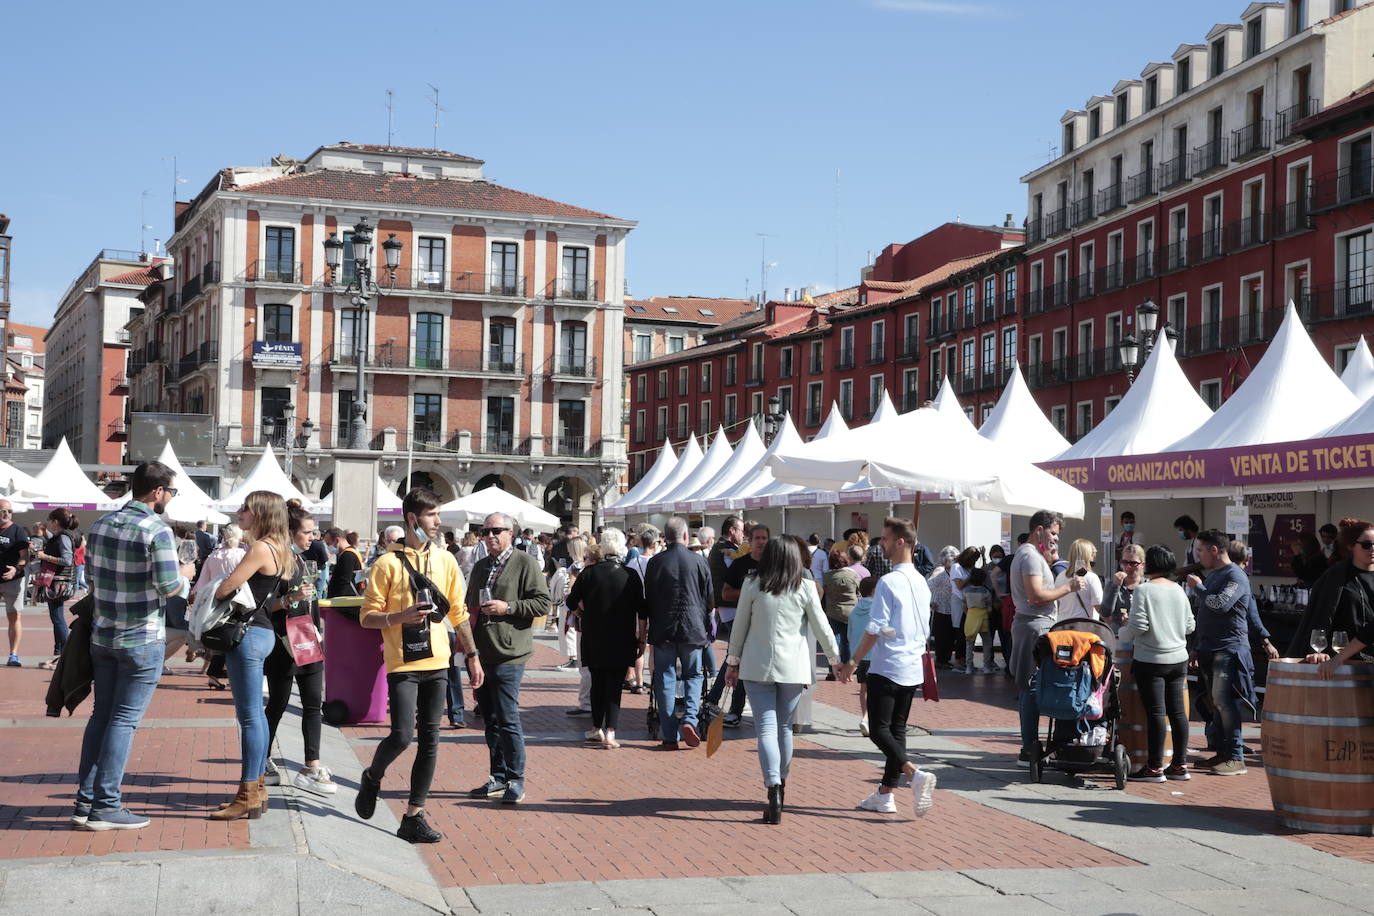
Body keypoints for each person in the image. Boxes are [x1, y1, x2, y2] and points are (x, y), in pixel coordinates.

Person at [352, 489, 482, 842]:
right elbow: (367, 617)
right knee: (401, 735)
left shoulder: (446, 561)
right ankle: (373, 776)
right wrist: (400, 617)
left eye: (438, 515)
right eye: (431, 515)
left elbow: (459, 612)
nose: (438, 522)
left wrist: (471, 655)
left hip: (438, 660)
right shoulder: (386, 564)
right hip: (402, 662)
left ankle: (413, 816)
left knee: (430, 740)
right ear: (413, 519)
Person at [73, 461, 194, 831]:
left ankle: (86, 800)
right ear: (157, 491)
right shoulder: (157, 530)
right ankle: (106, 804)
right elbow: (168, 587)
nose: (170, 497)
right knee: (123, 721)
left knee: (102, 716)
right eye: (171, 491)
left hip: (103, 635)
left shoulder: (101, 525)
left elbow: (90, 578)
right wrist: (186, 575)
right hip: (141, 637)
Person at [726, 536, 847, 824]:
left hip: (757, 666)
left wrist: (733, 661)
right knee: (784, 728)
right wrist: (836, 660)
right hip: (793, 668)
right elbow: (822, 626)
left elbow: (739, 626)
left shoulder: (753, 584)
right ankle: (782, 781)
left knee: (766, 728)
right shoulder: (805, 587)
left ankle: (773, 788)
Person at [209, 491, 299, 820]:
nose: (240, 512)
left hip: (246, 635)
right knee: (257, 716)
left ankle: (248, 791)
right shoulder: (280, 548)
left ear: (260, 513)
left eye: (246, 508)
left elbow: (224, 589)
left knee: (249, 717)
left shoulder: (260, 547)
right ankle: (257, 788)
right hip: (263, 633)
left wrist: (217, 582)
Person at [850, 517, 936, 816]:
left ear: (901, 542)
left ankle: (913, 773)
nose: (881, 544)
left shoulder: (888, 581)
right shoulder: (921, 582)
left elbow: (874, 627)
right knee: (895, 730)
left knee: (878, 730)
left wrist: (853, 660)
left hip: (888, 664)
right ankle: (886, 793)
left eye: (885, 539)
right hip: (912, 665)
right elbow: (924, 627)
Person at [466, 512, 549, 804]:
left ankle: (516, 778)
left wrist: (507, 607)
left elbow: (543, 602)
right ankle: (498, 777)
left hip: (510, 653)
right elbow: (470, 606)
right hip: (482, 652)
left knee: (508, 718)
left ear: (510, 533)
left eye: (496, 531)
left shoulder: (525, 563)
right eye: (484, 531)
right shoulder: (480, 566)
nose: (490, 536)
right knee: (489, 719)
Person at [261, 503, 335, 798]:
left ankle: (312, 765)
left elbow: (311, 601)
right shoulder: (278, 562)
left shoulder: (304, 561)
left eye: (314, 531)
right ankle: (262, 760)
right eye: (307, 532)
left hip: (307, 639)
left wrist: (318, 629)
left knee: (313, 704)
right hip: (284, 643)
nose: (313, 536)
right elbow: (266, 604)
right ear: (290, 532)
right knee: (277, 704)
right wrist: (290, 597)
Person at [1011, 511, 1085, 767]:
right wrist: (1069, 587)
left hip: (1032, 624)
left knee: (1031, 687)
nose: (1055, 539)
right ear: (1039, 529)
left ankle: (1030, 746)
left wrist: (1050, 559)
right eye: (1053, 533)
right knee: (1032, 688)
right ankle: (1029, 748)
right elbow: (1035, 596)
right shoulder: (1030, 556)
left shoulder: (1031, 555)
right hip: (1035, 626)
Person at [1186, 528, 1257, 776]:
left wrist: (1199, 588)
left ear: (1214, 550)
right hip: (1209, 648)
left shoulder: (1235, 575)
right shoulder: (1216, 575)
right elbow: (1203, 615)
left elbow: (1219, 604)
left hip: (1228, 649)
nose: (1198, 556)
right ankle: (1222, 753)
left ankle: (1236, 757)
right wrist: (1196, 647)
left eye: (1200, 550)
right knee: (1216, 704)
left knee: (1226, 704)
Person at [638, 516, 713, 749]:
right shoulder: (699, 561)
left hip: (664, 629)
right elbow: (709, 599)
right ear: (684, 536)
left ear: (665, 537)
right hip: (693, 629)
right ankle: (690, 718)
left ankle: (670, 733)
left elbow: (647, 598)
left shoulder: (655, 562)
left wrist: (646, 628)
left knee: (665, 678)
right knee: (693, 675)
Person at [1126, 546, 1195, 782]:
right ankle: (1179, 765)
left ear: (1149, 565)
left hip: (1151, 660)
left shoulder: (1143, 591)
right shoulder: (1178, 590)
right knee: (1178, 714)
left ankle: (1155, 767)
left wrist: (1128, 623)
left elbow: (1139, 627)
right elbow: (1190, 626)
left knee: (1156, 712)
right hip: (1178, 659)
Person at [565, 528, 639, 749]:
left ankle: (596, 726)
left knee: (597, 682)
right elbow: (641, 608)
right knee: (615, 685)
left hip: (594, 635)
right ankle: (611, 731)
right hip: (622, 636)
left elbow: (570, 601)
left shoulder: (589, 573)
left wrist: (582, 613)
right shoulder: (630, 575)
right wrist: (641, 637)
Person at [1293, 518, 1374, 659]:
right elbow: (1321, 617)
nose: (1373, 548)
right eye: (1367, 545)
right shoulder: (1336, 575)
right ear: (1350, 546)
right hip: (1346, 660)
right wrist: (1317, 651)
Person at [717, 524, 770, 728]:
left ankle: (768, 714)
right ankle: (734, 711)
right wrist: (749, 592)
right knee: (740, 665)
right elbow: (725, 593)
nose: (761, 542)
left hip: (769, 624)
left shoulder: (775, 565)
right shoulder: (740, 564)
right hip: (746, 622)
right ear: (749, 540)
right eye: (757, 538)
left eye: (764, 538)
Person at [193, 526, 246, 690]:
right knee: (235, 638)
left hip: (215, 601)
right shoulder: (242, 555)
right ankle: (228, 675)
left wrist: (197, 600)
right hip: (239, 601)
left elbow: (203, 582)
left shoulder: (214, 555)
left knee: (221, 637)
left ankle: (214, 674)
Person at [706, 516, 747, 718]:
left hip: (727, 606)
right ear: (732, 530)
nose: (743, 535)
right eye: (741, 531)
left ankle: (716, 699)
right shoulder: (726, 550)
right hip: (731, 606)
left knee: (735, 654)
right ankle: (720, 701)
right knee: (736, 655)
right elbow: (736, 574)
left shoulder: (722, 547)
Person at [0, 499, 29, 666]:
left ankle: (13, 655)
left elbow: (24, 556)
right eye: (3, 511)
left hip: (13, 581)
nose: (6, 514)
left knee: (14, 617)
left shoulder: (17, 531)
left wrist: (15, 570)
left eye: (9, 511)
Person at [549, 537, 585, 664]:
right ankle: (576, 658)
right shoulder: (584, 564)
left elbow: (571, 586)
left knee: (569, 630)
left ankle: (573, 659)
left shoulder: (575, 566)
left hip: (573, 603)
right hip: (582, 603)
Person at [822, 547, 861, 665]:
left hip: (833, 613)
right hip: (851, 613)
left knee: (833, 642)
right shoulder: (854, 575)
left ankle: (833, 668)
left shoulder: (827, 576)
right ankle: (846, 667)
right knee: (848, 642)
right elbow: (858, 592)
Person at [849, 575, 877, 735]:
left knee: (864, 689)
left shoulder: (854, 611)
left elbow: (849, 635)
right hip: (877, 655)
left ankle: (865, 717)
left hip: (860, 656)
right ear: (874, 591)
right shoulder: (878, 609)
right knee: (878, 690)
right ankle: (874, 719)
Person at [1055, 538, 1103, 620]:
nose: (1093, 559)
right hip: (1084, 627)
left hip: (1062, 626)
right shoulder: (1091, 578)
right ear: (1087, 556)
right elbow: (1099, 606)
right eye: (1092, 555)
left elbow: (1057, 604)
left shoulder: (1060, 576)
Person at [1101, 543, 1145, 633]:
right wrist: (1116, 586)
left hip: (1141, 637)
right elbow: (1105, 612)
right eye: (1125, 562)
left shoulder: (1147, 585)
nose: (1128, 567)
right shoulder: (1113, 584)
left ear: (1142, 565)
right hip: (1118, 636)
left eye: (1133, 563)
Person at [961, 566, 997, 675]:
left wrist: (969, 614)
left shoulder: (966, 591)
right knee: (987, 642)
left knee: (969, 643)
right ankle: (986, 667)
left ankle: (968, 667)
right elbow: (990, 608)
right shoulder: (986, 591)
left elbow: (964, 605)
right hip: (983, 617)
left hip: (971, 616)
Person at [928, 546, 959, 669]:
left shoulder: (955, 571)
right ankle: (941, 660)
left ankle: (945, 659)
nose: (953, 562)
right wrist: (932, 600)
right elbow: (929, 585)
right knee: (942, 636)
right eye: (951, 559)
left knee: (950, 636)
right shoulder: (940, 571)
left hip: (952, 608)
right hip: (941, 608)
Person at [328, 529, 365, 599]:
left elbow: (344, 582)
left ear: (337, 540)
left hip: (343, 602)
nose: (328, 547)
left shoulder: (348, 555)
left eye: (328, 543)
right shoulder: (351, 552)